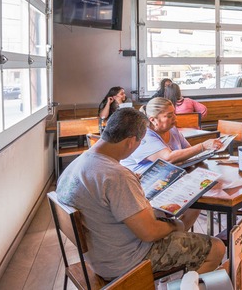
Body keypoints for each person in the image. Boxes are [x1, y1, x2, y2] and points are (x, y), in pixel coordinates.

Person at [56, 108, 225, 280]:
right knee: (216, 247)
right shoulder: (116, 175)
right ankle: (184, 284)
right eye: (140, 141)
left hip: (100, 254)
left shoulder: (78, 163)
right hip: (125, 260)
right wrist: (176, 225)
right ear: (130, 141)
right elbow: (149, 233)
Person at [120, 97, 221, 170]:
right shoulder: (143, 134)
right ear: (153, 120)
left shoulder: (172, 129)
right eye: (169, 116)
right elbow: (167, 158)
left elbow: (189, 151)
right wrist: (203, 146)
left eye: (174, 113)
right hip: (141, 184)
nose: (174, 118)